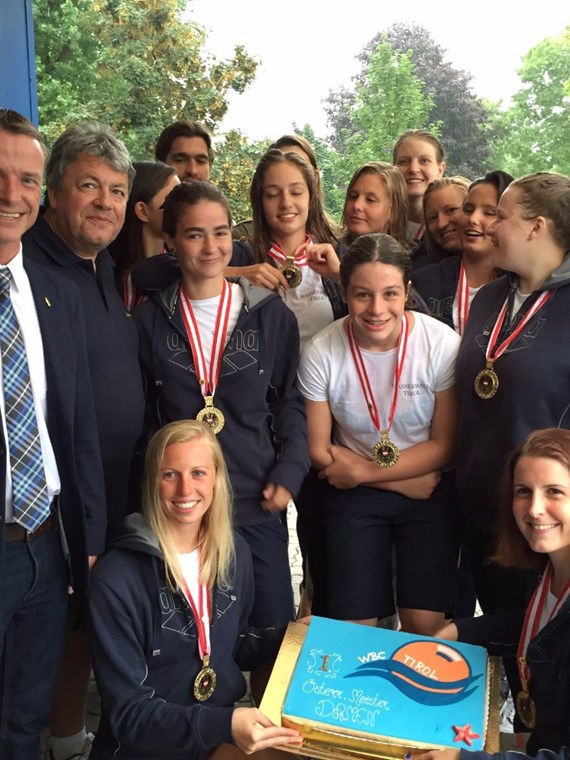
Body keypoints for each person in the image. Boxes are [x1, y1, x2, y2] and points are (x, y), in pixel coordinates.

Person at [22, 121, 145, 760]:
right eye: (88, 185)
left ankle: (68, 733)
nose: (105, 202)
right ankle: (58, 736)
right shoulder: (27, 269)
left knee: (89, 620)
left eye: (118, 191)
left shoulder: (99, 268)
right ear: (53, 191)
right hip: (60, 499)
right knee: (63, 622)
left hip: (117, 484)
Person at [133, 180, 308, 627]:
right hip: (182, 504)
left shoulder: (270, 315)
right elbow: (144, 411)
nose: (211, 246)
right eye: (194, 234)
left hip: (255, 498)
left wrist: (290, 470)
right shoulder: (151, 319)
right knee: (195, 637)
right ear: (171, 241)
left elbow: (290, 400)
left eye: (221, 231)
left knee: (271, 631)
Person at [88, 419, 303, 760]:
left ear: (217, 479)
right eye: (170, 474)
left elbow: (231, 645)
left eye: (198, 473)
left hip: (211, 743)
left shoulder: (232, 552)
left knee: (296, 752)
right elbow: (128, 713)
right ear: (151, 482)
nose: (185, 490)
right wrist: (226, 724)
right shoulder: (115, 579)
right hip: (145, 751)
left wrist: (290, 636)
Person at [0, 110, 106, 758]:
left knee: (24, 719)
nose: (11, 194)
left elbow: (77, 431)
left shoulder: (53, 294)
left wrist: (88, 542)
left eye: (26, 180)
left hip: (46, 548)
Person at [297, 232, 460, 634]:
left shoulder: (440, 345)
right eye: (362, 295)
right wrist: (396, 482)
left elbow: (443, 447)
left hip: (427, 492)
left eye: (390, 294)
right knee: (356, 626)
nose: (376, 309)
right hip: (359, 494)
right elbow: (320, 449)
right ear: (344, 290)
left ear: (407, 290)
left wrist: (367, 471)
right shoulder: (321, 350)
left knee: (425, 625)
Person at [414, 428, 570, 760]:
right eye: (523, 491)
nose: (534, 509)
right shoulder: (548, 568)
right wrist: (461, 630)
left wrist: (464, 759)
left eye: (555, 492)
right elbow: (546, 630)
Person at [455, 172, 570, 619]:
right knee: (506, 640)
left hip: (546, 522)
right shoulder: (487, 299)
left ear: (536, 226)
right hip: (482, 511)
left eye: (500, 215)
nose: (488, 225)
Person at [247, 148, 343, 346]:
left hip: (328, 375)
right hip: (269, 377)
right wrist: (238, 274)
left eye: (296, 192)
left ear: (310, 199)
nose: (286, 203)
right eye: (273, 195)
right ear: (260, 202)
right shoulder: (243, 255)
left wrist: (341, 276)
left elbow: (396, 303)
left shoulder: (338, 255)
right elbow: (175, 273)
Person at [415, 172, 513, 331]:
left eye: (489, 212)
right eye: (467, 209)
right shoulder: (423, 281)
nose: (473, 218)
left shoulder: (524, 282)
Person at [108, 160, 179, 309]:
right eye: (175, 199)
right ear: (143, 211)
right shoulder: (108, 274)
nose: (188, 208)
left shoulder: (183, 263)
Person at [340, 161, 411, 249]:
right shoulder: (326, 253)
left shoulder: (411, 260)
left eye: (370, 200)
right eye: (353, 196)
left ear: (394, 211)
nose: (356, 205)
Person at [392, 129, 446, 244]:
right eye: (404, 161)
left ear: (440, 170)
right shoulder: (380, 224)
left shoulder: (452, 227)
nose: (413, 169)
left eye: (424, 161)